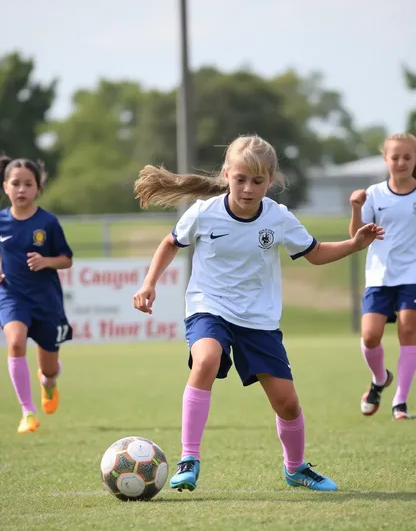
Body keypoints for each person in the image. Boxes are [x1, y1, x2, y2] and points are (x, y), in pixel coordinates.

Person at [133, 134, 384, 492]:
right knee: (206, 359)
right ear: (226, 175)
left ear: (271, 180)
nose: (248, 188)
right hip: (210, 305)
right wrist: (149, 283)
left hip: (258, 319)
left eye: (257, 181)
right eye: (240, 179)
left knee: (287, 403)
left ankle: (295, 468)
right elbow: (171, 243)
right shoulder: (205, 212)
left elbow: (313, 252)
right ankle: (189, 458)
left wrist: (354, 244)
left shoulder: (278, 217)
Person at [0, 154, 73, 433]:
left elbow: (67, 258)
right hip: (11, 296)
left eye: (28, 184)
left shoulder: (48, 222)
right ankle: (27, 412)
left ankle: (49, 382)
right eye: (15, 183)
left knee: (49, 367)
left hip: (45, 300)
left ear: (37, 188)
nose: (21, 189)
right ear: (5, 186)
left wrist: (47, 262)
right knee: (15, 343)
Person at [349, 133, 416, 420]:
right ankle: (379, 379)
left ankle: (400, 402)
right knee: (370, 335)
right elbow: (356, 237)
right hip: (379, 275)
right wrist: (355, 207)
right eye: (395, 157)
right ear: (385, 159)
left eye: (407, 157)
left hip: (412, 274)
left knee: (408, 331)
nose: (401, 162)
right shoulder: (374, 194)